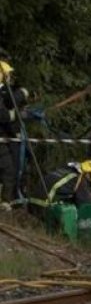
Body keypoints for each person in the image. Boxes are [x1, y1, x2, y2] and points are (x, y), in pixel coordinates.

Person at [0, 60, 31, 204]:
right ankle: (9, 201)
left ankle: (10, 200)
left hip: (8, 139)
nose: (10, 77)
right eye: (8, 74)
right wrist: (23, 94)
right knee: (10, 170)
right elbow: (4, 115)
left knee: (11, 170)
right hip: (6, 139)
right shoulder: (3, 92)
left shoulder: (7, 91)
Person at [26, 160, 91, 212]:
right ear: (89, 175)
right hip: (45, 208)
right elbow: (86, 206)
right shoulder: (79, 179)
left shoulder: (65, 168)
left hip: (32, 203)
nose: (89, 187)